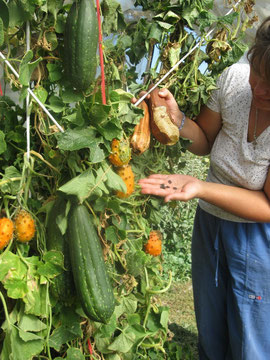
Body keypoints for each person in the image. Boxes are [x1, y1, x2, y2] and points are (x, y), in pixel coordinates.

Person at [135, 16, 270, 360]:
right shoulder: (234, 82)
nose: (259, 89)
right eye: (257, 73)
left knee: (249, 343)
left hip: (256, 239)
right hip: (209, 225)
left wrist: (199, 187)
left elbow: (268, 206)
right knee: (210, 331)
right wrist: (177, 118)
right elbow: (205, 140)